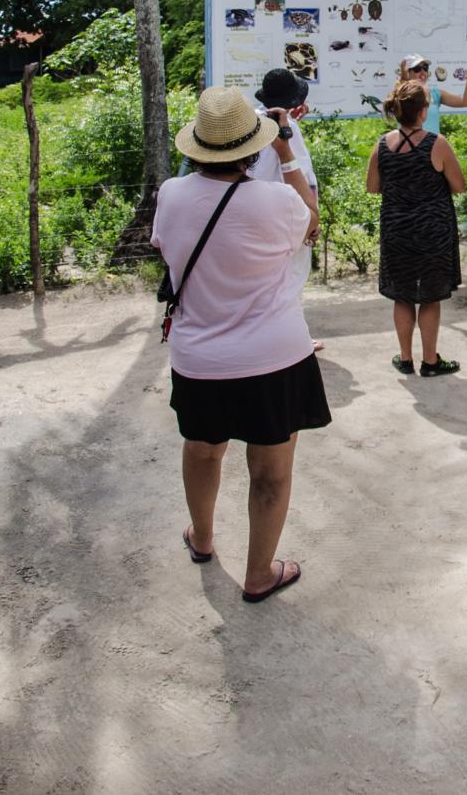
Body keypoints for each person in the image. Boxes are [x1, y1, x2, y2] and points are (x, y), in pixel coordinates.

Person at [152, 86, 327, 604]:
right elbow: (312, 220)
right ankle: (258, 574)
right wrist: (287, 152)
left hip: (199, 359)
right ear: (255, 147)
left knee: (203, 450)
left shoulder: (170, 194)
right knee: (270, 472)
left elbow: (167, 248)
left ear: (198, 145)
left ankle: (203, 538)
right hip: (275, 357)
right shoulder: (278, 201)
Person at [368, 79, 467, 375]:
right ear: (423, 111)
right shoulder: (437, 143)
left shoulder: (381, 145)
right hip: (432, 231)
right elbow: (459, 185)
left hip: (396, 230)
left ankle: (405, 358)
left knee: (402, 295)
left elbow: (372, 186)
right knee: (430, 297)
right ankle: (430, 361)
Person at [247, 69, 324, 351]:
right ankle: (293, 338)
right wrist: (312, 219)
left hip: (256, 212)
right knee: (291, 280)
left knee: (264, 282)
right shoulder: (287, 130)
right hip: (289, 213)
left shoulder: (251, 123)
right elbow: (302, 176)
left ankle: (269, 335)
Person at [398, 52, 467, 134]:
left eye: (425, 68)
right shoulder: (402, 95)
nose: (423, 72)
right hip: (408, 145)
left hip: (431, 145)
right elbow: (402, 88)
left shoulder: (435, 94)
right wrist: (404, 78)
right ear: (408, 73)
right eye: (417, 69)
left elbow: (465, 102)